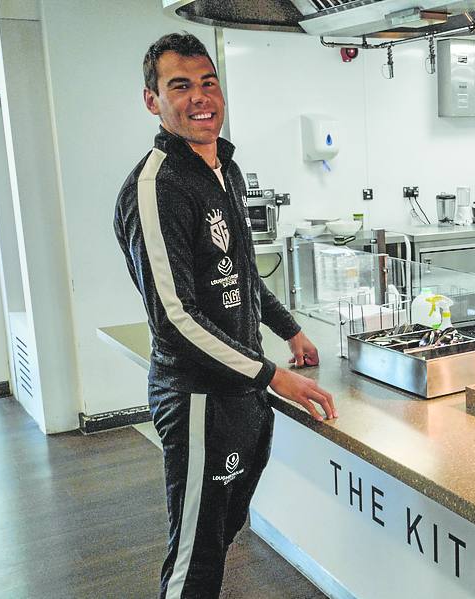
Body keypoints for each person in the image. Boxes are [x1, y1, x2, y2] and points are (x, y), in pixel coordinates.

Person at [114, 32, 337, 598]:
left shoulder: (226, 170)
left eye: (207, 83)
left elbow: (239, 274)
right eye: (180, 86)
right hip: (198, 400)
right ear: (152, 100)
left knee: (219, 538)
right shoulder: (158, 186)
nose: (199, 98)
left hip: (241, 397)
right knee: (196, 558)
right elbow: (176, 319)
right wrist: (272, 375)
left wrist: (289, 331)